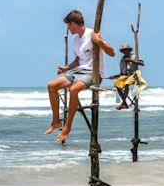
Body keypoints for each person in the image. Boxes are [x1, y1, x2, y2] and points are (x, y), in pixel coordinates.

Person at [46, 9, 115, 143]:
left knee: (73, 90)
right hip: (78, 71)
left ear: (73, 24)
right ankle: (56, 121)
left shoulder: (92, 34)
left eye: (68, 25)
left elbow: (112, 52)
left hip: (93, 73)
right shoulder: (75, 41)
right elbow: (79, 60)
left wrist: (99, 41)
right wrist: (67, 68)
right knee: (51, 86)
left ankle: (68, 126)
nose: (68, 28)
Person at [109, 43, 144, 110]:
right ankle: (124, 103)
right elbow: (122, 73)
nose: (125, 51)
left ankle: (123, 103)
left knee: (126, 84)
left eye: (126, 50)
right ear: (122, 52)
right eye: (124, 50)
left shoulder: (134, 56)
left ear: (129, 50)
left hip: (134, 75)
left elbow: (142, 63)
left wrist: (131, 60)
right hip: (125, 76)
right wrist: (114, 76)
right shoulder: (122, 60)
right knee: (117, 85)